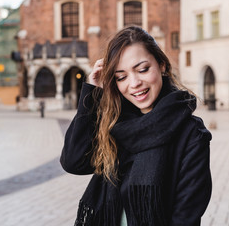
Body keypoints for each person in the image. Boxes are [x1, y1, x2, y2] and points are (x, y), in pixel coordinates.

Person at [60, 26, 212, 226]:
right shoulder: (115, 125)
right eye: (121, 77)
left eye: (142, 70)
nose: (134, 83)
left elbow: (186, 216)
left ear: (162, 65)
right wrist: (92, 92)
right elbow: (73, 161)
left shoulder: (192, 134)